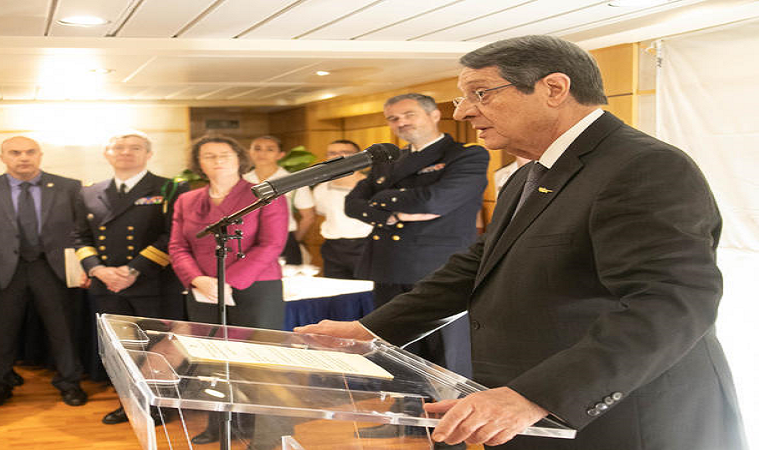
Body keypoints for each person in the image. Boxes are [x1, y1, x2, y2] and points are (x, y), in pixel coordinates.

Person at [297, 35, 746, 450]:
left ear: (554, 88)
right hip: (533, 410)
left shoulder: (643, 166)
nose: (463, 112)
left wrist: (535, 395)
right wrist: (372, 331)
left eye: (480, 93)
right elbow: (479, 266)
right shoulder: (528, 174)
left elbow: (671, 303)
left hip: (625, 419)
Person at [346, 93, 489, 384]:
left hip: (437, 268)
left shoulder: (465, 155)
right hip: (389, 265)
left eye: (409, 114)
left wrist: (382, 198)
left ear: (434, 115)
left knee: (445, 356)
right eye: (393, 118)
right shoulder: (389, 160)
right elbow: (352, 204)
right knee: (391, 352)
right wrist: (393, 215)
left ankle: (448, 411)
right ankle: (403, 408)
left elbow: (434, 201)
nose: (401, 122)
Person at [169, 135, 288, 447]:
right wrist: (197, 279)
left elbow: (272, 244)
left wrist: (227, 281)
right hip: (203, 289)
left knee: (261, 362)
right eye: (208, 156)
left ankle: (269, 434)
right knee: (213, 361)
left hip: (255, 287)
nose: (217, 160)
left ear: (239, 159)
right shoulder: (187, 199)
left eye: (224, 154)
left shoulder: (266, 193)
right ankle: (221, 425)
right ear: (199, 163)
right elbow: (177, 246)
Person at [0, 136, 87, 410]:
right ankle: (0, 384)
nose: (23, 157)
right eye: (15, 152)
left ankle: (70, 383)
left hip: (52, 269)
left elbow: (80, 233)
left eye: (30, 152)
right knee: (1, 332)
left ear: (40, 155)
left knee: (63, 330)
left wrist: (83, 268)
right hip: (3, 271)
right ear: (2, 157)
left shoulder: (69, 187)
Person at [73, 130, 187, 425]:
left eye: (135, 148)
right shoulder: (89, 191)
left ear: (149, 154)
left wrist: (133, 270)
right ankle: (128, 403)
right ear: (106, 154)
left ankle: (160, 405)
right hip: (108, 285)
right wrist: (98, 269)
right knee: (121, 349)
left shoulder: (170, 188)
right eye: (118, 147)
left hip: (154, 282)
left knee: (159, 348)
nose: (125, 152)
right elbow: (80, 236)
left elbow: (172, 235)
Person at [244, 135, 315, 265]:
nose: (262, 153)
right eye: (257, 149)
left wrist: (293, 239)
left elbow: (308, 216)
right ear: (250, 152)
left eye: (270, 149)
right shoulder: (242, 180)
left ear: (280, 155)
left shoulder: (294, 180)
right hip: (248, 240)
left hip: (284, 239)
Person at [310, 140, 373, 279]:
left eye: (345, 152)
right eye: (332, 153)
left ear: (359, 156)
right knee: (336, 288)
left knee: (368, 289)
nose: (338, 156)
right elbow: (322, 213)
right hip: (333, 247)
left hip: (367, 245)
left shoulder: (372, 185)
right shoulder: (321, 188)